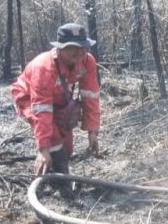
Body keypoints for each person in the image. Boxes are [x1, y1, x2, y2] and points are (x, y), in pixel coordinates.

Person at [12, 23, 101, 197]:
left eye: (82, 47)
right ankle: (63, 186)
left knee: (65, 148)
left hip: (58, 99)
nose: (79, 52)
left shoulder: (87, 61)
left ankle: (53, 171)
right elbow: (41, 109)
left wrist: (93, 131)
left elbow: (90, 96)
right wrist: (43, 149)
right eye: (72, 48)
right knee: (53, 141)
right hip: (30, 98)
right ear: (60, 48)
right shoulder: (43, 68)